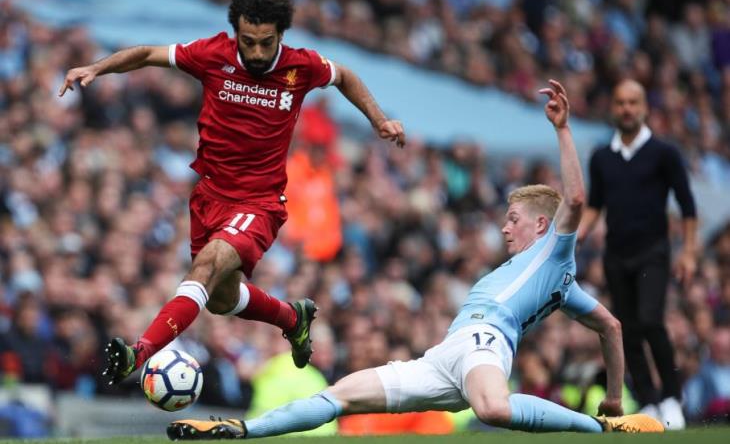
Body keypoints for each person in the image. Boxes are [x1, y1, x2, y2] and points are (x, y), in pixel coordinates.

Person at [166, 80, 664, 440]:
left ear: (541, 225)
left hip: (486, 344)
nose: (504, 227)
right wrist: (614, 394)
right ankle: (241, 430)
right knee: (340, 395)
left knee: (493, 409)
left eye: (513, 219)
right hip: (445, 358)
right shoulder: (561, 286)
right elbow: (611, 327)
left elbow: (574, 200)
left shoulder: (555, 253)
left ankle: (599, 429)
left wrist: (563, 129)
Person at [58, 0, 406, 384]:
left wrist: (379, 119)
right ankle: (292, 319)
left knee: (204, 268)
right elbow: (148, 54)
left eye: (266, 43)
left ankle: (140, 353)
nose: (256, 52)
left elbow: (344, 76)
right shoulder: (211, 54)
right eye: (248, 41)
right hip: (208, 197)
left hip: (258, 203)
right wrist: (97, 68)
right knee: (221, 300)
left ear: (281, 35)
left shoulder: (301, 66)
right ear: (235, 33)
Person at [577, 79, 697, 429]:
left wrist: (689, 252)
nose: (626, 109)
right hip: (616, 254)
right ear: (612, 108)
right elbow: (595, 204)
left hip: (653, 251)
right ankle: (648, 400)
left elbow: (687, 206)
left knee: (650, 320)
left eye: (633, 102)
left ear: (644, 108)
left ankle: (672, 396)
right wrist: (577, 234)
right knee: (626, 329)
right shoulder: (602, 157)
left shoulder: (664, 153)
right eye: (620, 103)